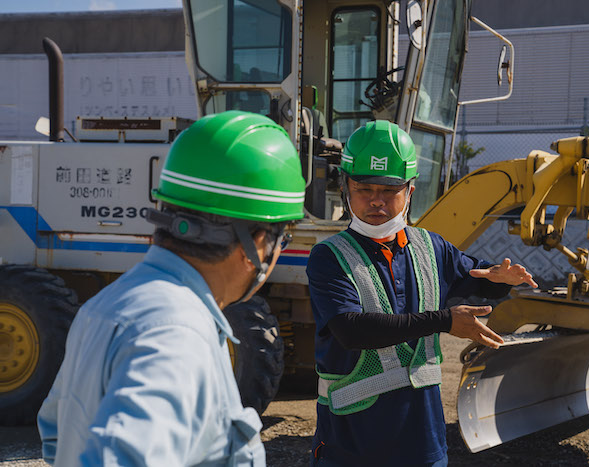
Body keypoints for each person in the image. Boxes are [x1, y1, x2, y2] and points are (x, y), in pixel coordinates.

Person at [37, 111, 306, 466]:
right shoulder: (176, 335)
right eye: (282, 238)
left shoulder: (105, 305)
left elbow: (57, 437)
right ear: (256, 243)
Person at [306, 120, 538, 466]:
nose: (376, 202)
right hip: (352, 445)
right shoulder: (329, 257)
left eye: (389, 191)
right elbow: (351, 330)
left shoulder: (432, 248)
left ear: (410, 192)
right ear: (346, 188)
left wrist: (499, 279)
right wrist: (444, 321)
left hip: (422, 445)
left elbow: (475, 279)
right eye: (364, 189)